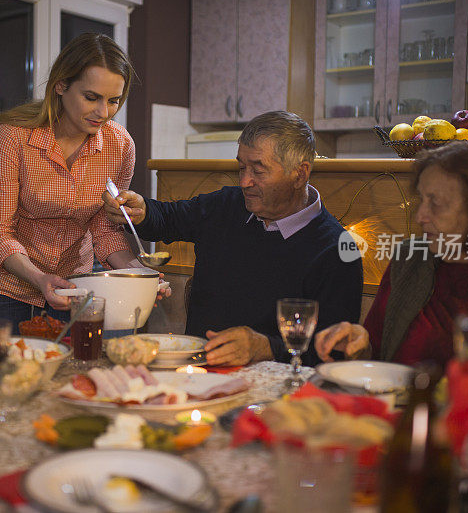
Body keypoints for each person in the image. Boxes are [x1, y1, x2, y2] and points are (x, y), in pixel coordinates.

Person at [102, 111, 364, 367]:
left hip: (274, 396)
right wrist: (140, 211)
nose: (245, 181)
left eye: (258, 171)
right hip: (196, 372)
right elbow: (169, 218)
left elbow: (333, 354)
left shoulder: (338, 250)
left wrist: (267, 347)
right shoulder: (228, 205)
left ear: (300, 174)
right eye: (241, 167)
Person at [314, 142, 468, 384]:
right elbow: (377, 355)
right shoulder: (409, 258)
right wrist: (360, 343)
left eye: (436, 203)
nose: (421, 215)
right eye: (421, 199)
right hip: (408, 415)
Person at [0, 33, 151, 329]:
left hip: (72, 280)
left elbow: (105, 229)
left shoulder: (120, 146)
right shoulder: (13, 136)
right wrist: (39, 278)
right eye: (91, 97)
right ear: (60, 85)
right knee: (6, 370)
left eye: (113, 101)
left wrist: (141, 276)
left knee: (67, 365)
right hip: (4, 280)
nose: (102, 113)